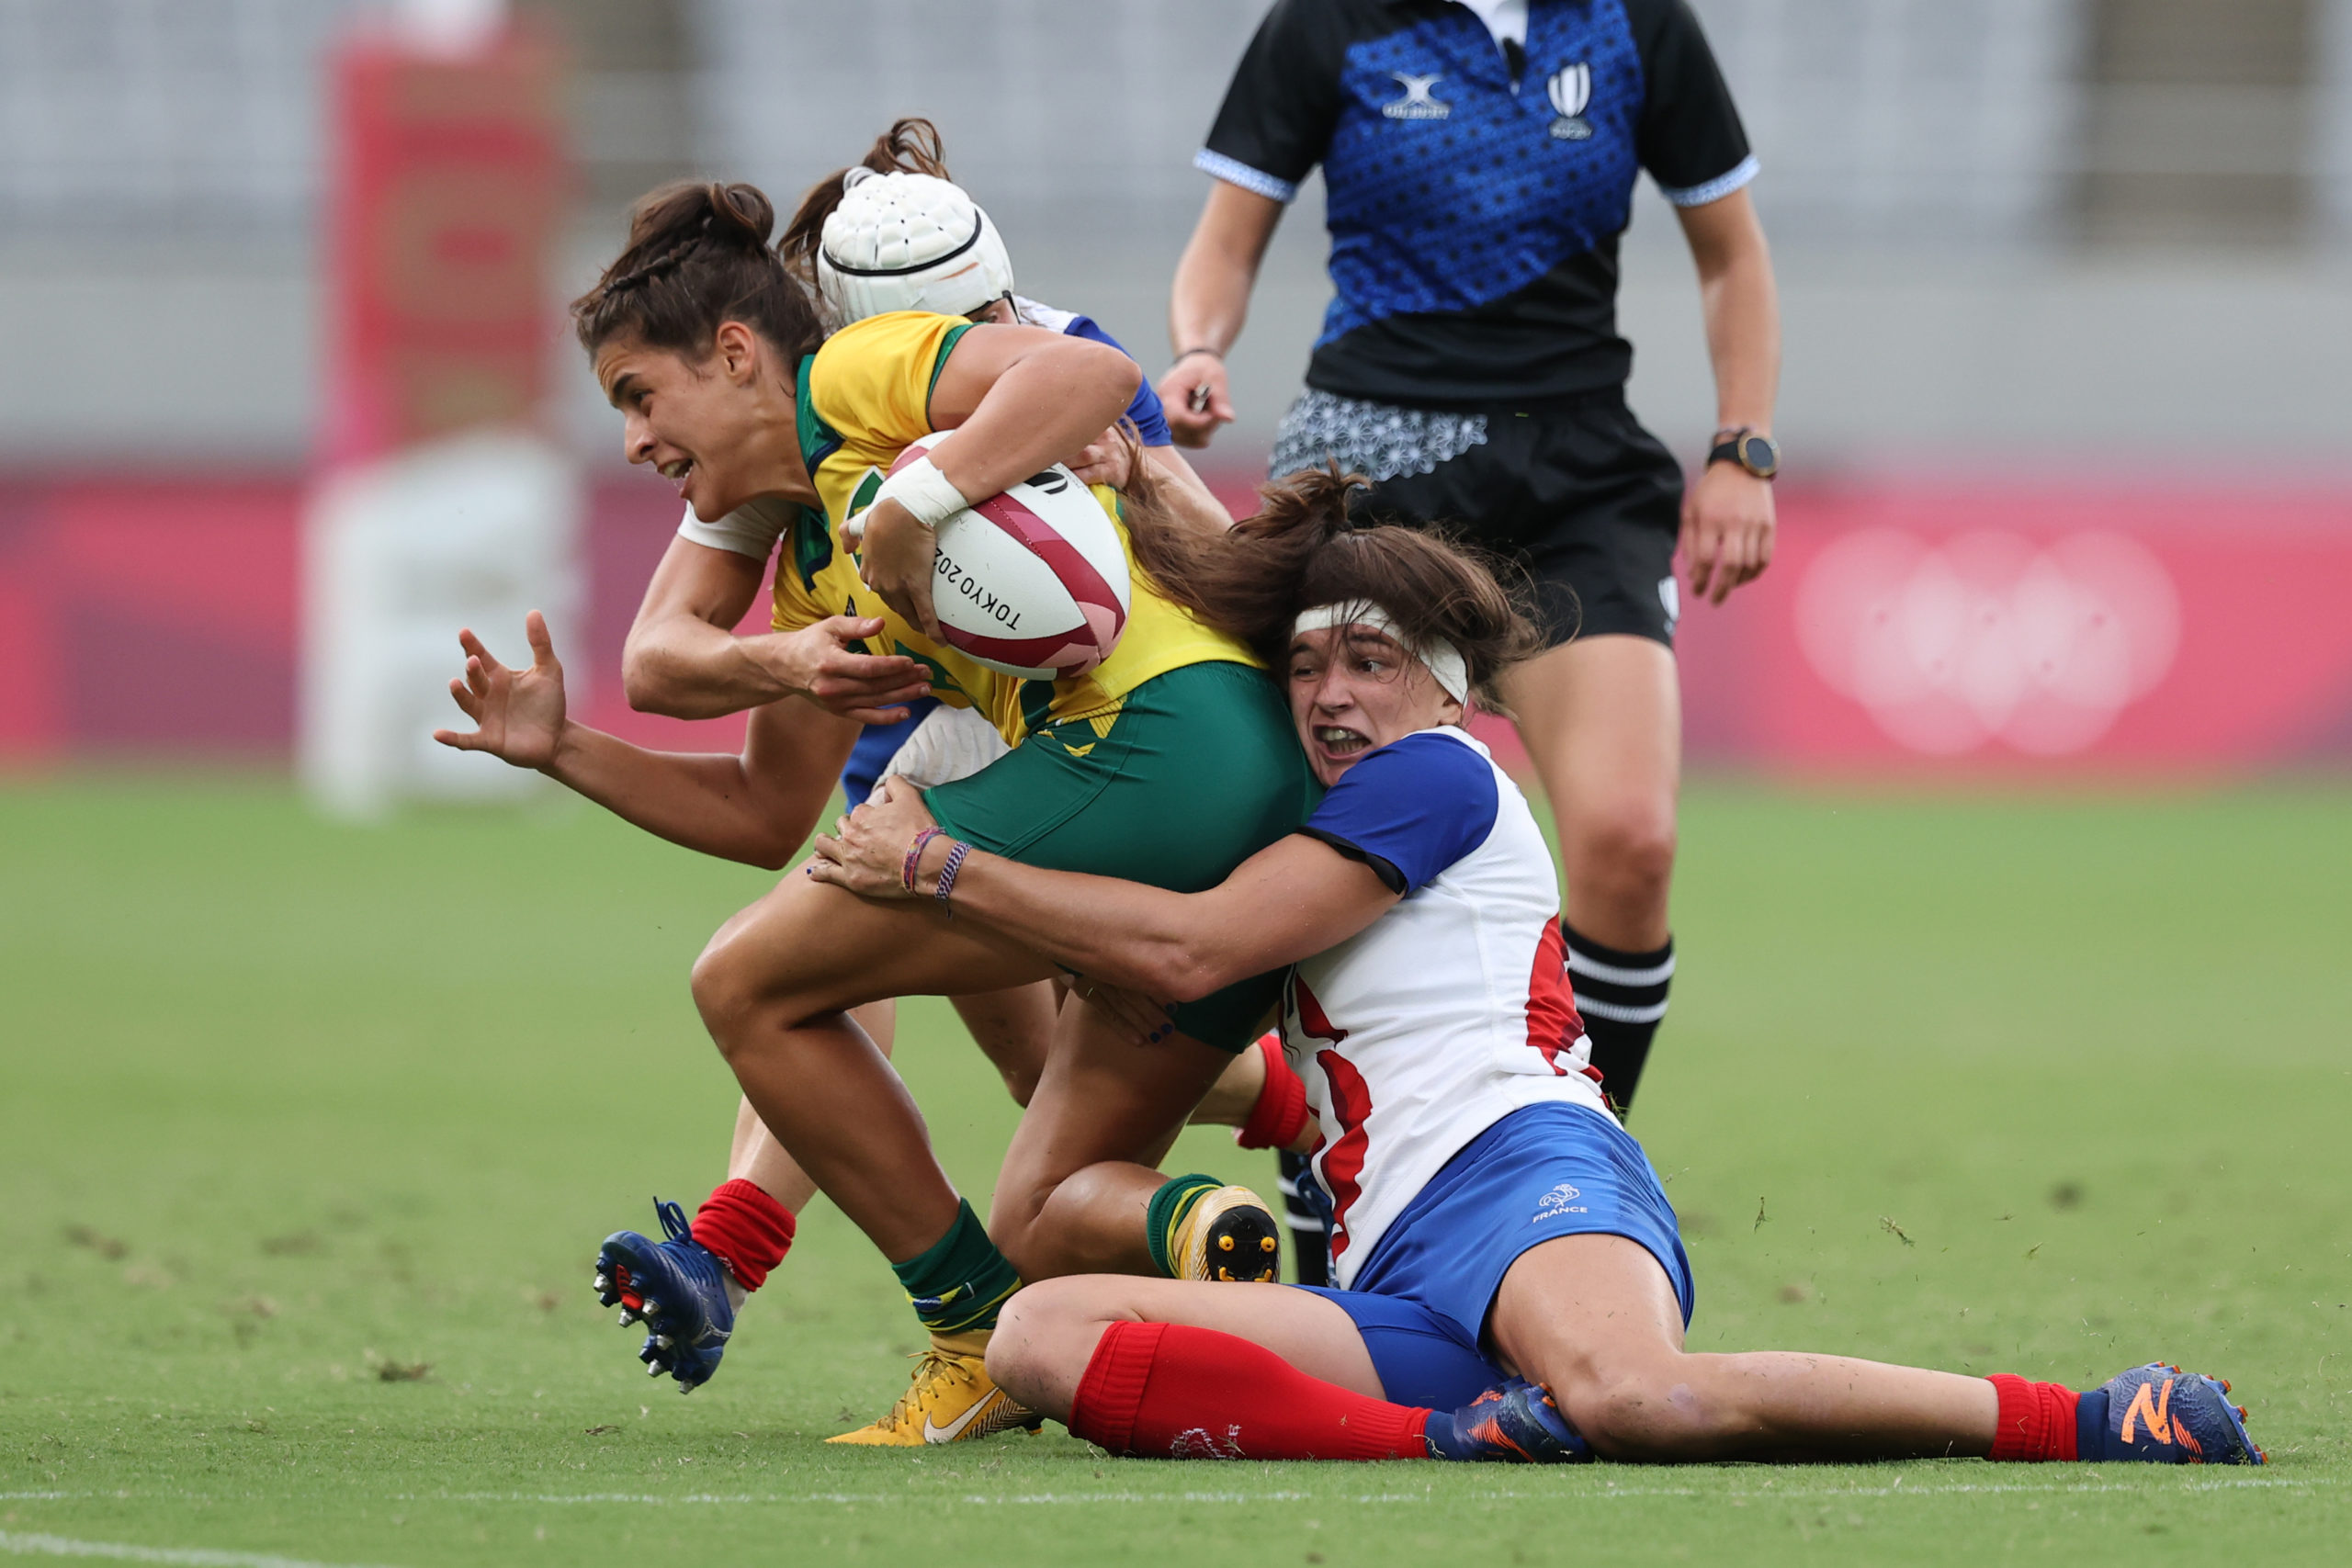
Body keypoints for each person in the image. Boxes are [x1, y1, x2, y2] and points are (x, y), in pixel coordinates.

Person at [807, 473, 2264, 1469]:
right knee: (1045, 1326)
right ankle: (1457, 1437)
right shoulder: (1313, 820)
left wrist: (939, 868)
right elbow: (1257, 1026)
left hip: (1520, 1166)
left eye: (1368, 661)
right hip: (1391, 1266)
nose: (1328, 693)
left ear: (1449, 684)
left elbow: (1193, 948)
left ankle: (2088, 1414)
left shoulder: (1441, 772)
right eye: (1306, 667)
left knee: (1638, 1390)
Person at [435, 175, 1322, 1447]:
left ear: (737, 352)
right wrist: (565, 748)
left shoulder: (852, 375)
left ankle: (969, 1328)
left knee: (748, 980)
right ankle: (1243, 1204)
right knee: (1043, 1167)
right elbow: (757, 809)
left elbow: (1090, 373)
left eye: (641, 397)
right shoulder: (809, 565)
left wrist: (914, 502)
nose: (632, 439)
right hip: (1196, 764)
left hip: (1156, 742)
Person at [1159, 0, 1784, 1120]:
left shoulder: (1638, 24)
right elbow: (1229, 234)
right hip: (1373, 475)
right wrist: (1200, 344)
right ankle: (1333, 1193)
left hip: (1577, 472)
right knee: (1327, 849)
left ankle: (1571, 1169)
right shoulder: (1325, 23)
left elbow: (1731, 253)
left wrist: (1742, 444)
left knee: (1630, 843)